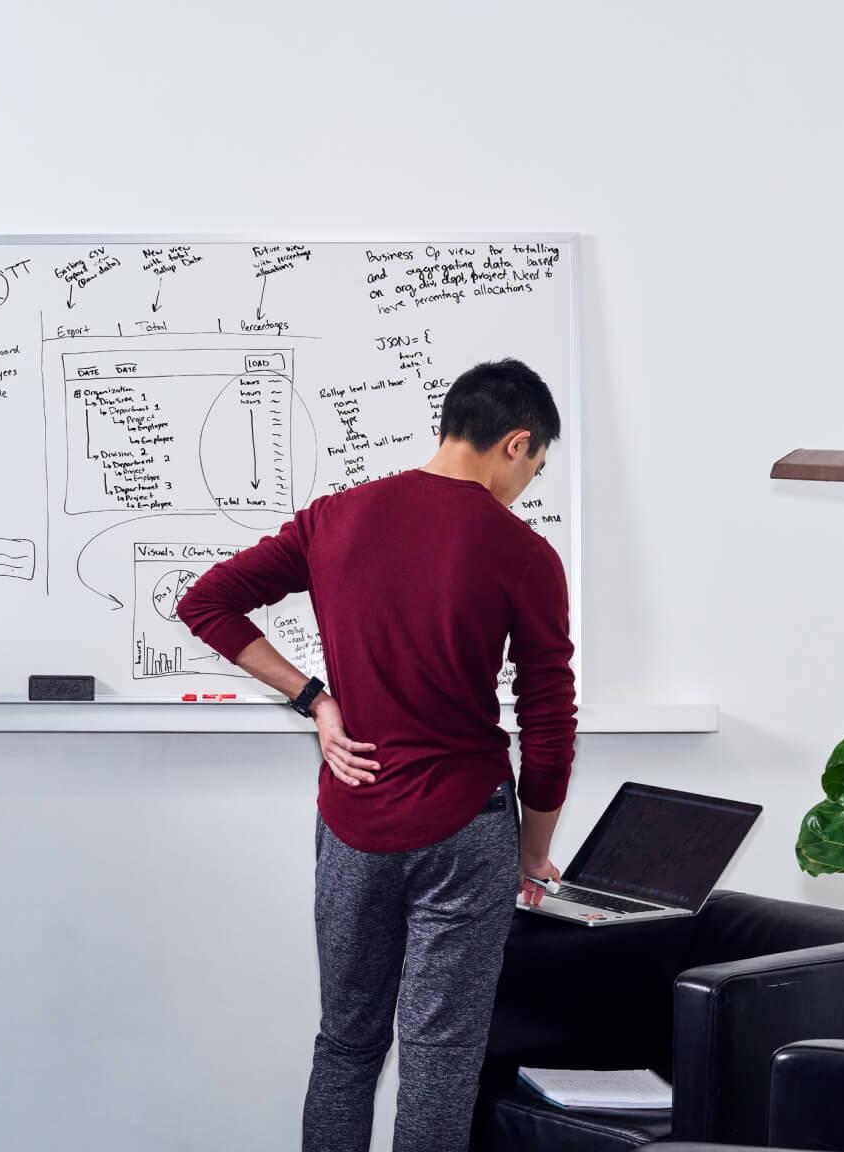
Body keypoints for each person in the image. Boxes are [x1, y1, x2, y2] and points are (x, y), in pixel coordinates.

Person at [176, 358, 577, 1152]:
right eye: (536, 465)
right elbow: (548, 718)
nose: (530, 482)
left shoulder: (335, 518)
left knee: (347, 1043)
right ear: (515, 442)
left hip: (353, 815)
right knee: (440, 1058)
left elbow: (205, 603)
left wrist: (314, 700)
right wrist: (534, 850)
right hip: (468, 830)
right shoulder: (523, 553)